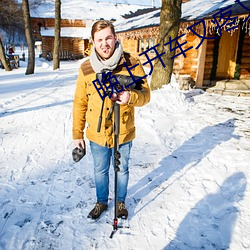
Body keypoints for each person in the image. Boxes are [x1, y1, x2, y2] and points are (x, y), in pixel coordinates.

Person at [72, 20, 150, 220]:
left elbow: (146, 95)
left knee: (122, 168)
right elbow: (80, 102)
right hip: (97, 133)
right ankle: (101, 202)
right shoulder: (87, 68)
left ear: (116, 38)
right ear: (93, 42)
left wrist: (130, 97)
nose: (104, 43)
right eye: (99, 40)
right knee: (100, 170)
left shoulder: (132, 63)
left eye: (108, 38)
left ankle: (121, 202)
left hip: (123, 130)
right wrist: (77, 134)